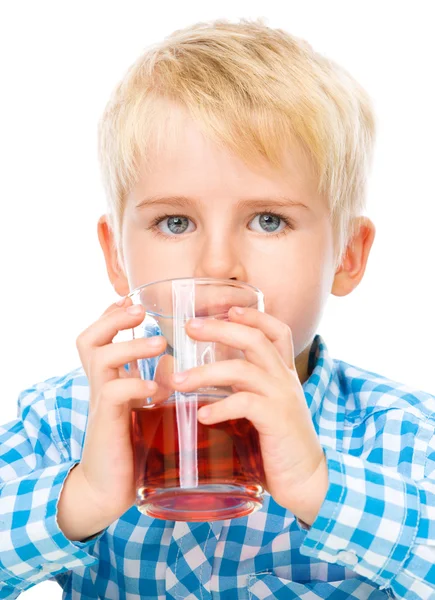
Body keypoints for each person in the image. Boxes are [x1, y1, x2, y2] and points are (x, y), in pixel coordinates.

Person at [1, 17, 434, 600]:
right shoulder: (62, 422)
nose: (216, 264)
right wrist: (76, 500)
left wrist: (319, 484)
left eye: (268, 220)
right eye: (175, 222)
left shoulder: (404, 434)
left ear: (347, 256)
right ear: (117, 256)